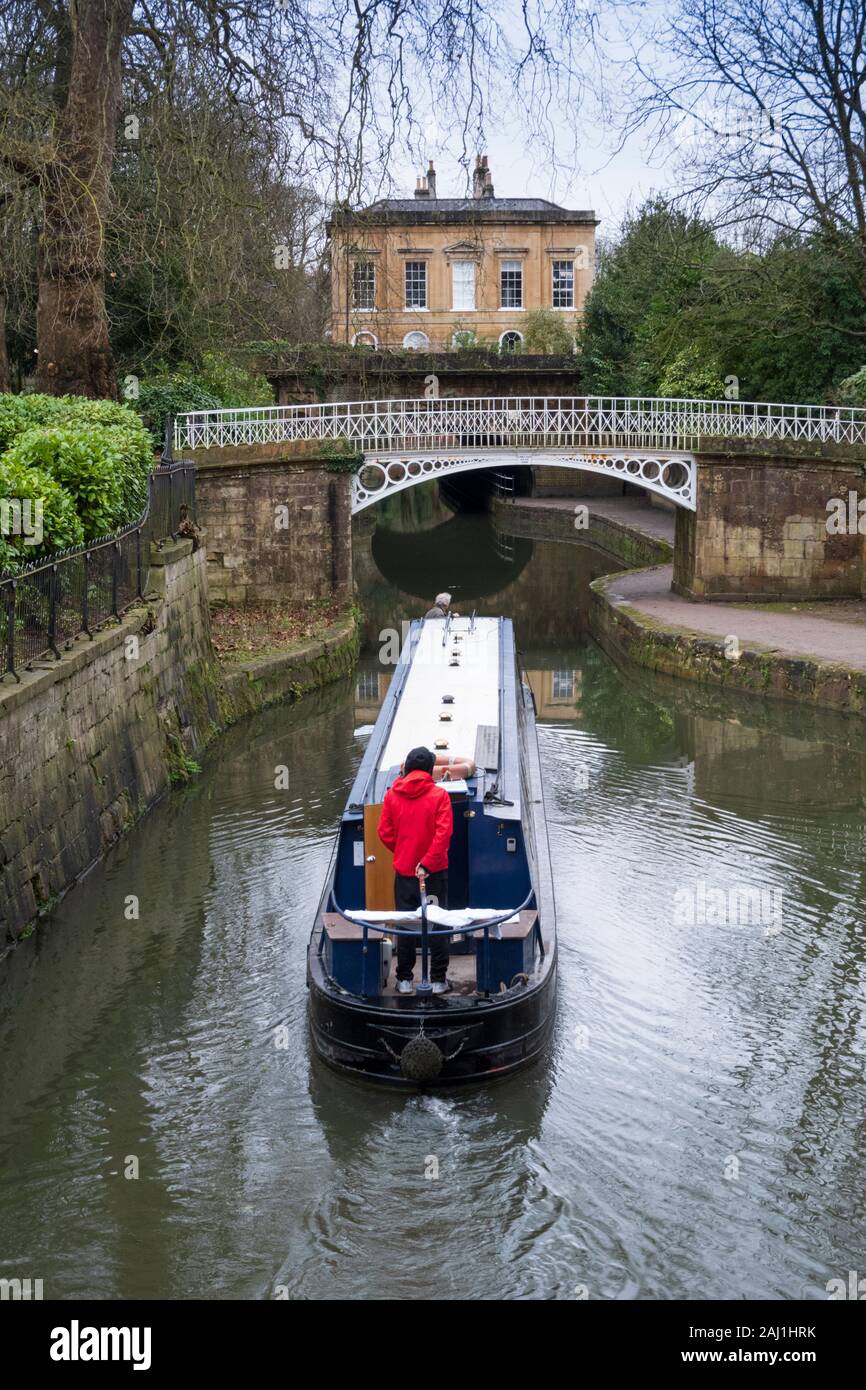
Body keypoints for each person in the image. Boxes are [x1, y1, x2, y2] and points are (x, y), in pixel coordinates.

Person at [377, 746, 453, 994]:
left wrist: (404, 853)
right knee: (437, 924)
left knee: (406, 925)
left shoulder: (391, 796)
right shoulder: (440, 796)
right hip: (434, 873)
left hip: (405, 874)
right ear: (430, 769)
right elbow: (444, 835)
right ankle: (439, 980)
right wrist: (428, 863)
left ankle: (405, 980)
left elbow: (384, 833)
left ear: (407, 768)